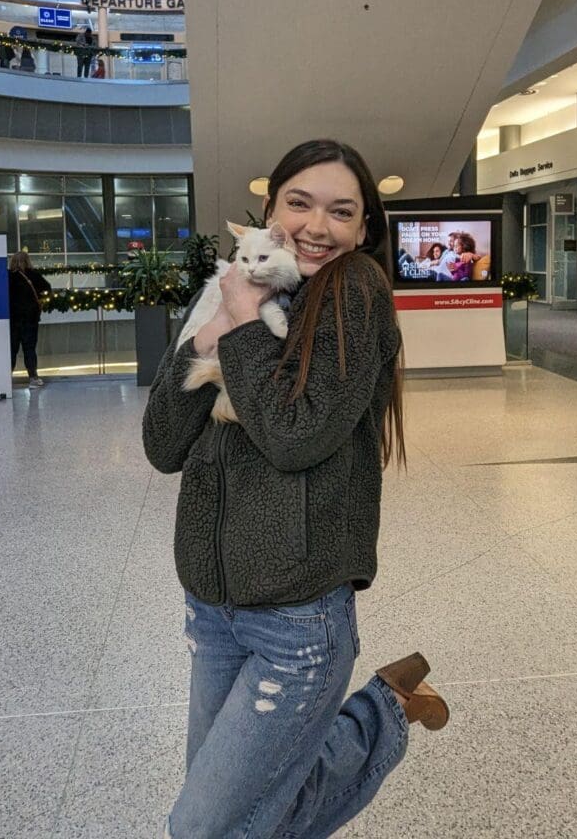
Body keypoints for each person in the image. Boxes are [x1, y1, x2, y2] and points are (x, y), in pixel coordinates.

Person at [143, 139, 449, 839]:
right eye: (299, 203)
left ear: (365, 227)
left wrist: (244, 327)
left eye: (342, 211)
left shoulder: (355, 292)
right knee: (261, 811)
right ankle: (391, 705)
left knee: (204, 827)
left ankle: (378, 719)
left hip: (297, 620)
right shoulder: (239, 287)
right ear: (272, 211)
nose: (318, 226)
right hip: (212, 609)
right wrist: (214, 328)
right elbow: (163, 445)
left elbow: (293, 439)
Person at [8, 251, 52, 388]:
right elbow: (47, 289)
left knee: (11, 349)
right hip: (30, 319)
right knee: (29, 348)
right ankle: (33, 377)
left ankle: (6, 378)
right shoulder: (34, 275)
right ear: (28, 261)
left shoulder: (8, 276)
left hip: (13, 319)